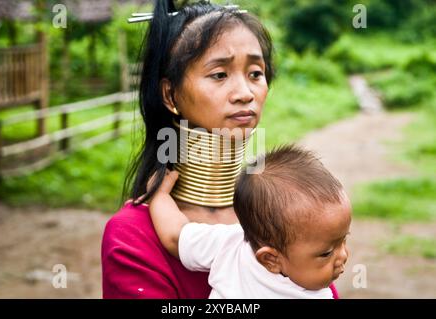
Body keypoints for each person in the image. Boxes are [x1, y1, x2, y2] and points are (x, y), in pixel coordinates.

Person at [101, 0, 339, 298]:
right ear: (169, 94)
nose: (245, 93)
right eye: (219, 75)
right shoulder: (133, 236)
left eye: (255, 73)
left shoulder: (285, 213)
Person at [149, 144, 351, 298]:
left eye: (343, 240)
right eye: (326, 253)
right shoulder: (228, 244)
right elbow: (175, 236)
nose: (343, 255)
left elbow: (176, 235)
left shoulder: (227, 245)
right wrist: (161, 196)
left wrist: (159, 196)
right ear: (271, 260)